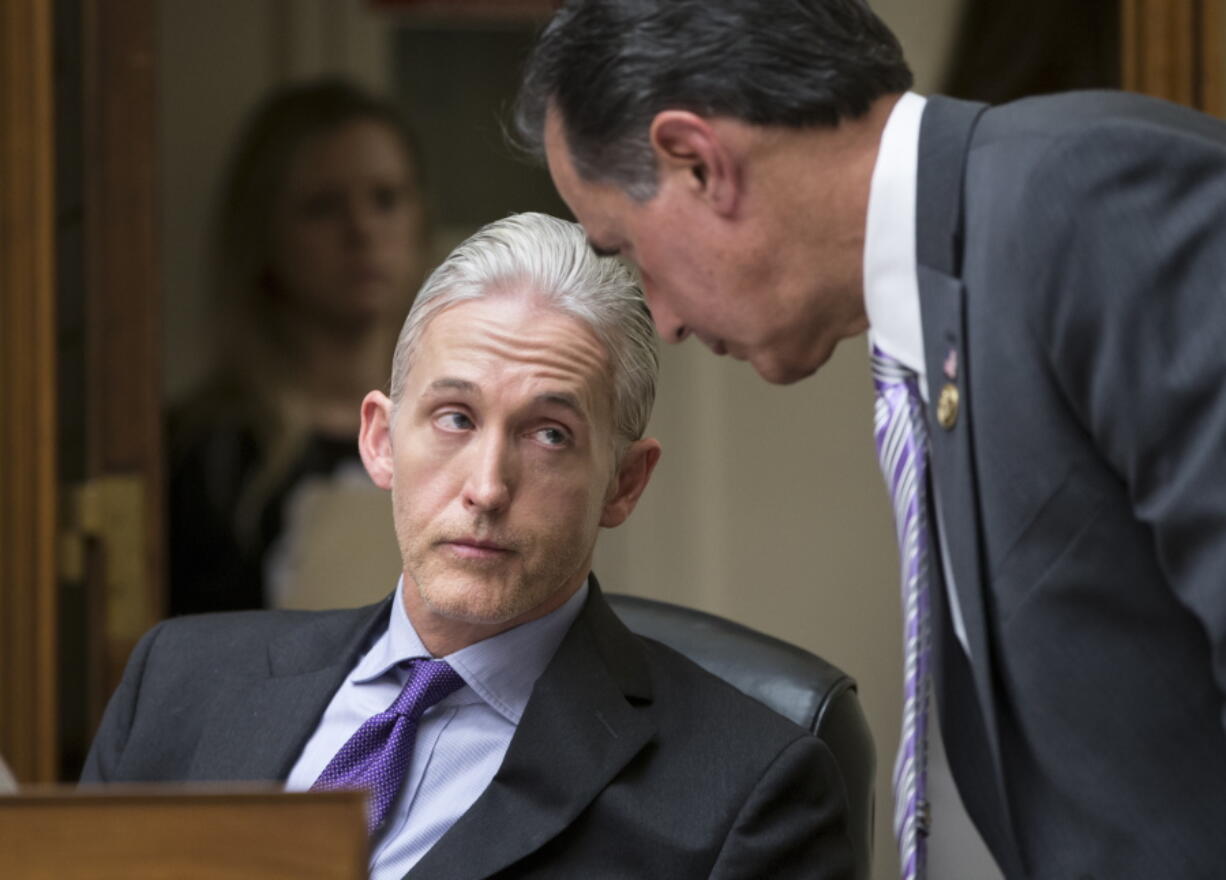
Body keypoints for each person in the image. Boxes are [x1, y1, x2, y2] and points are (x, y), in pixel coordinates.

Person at [514, 2, 1226, 878]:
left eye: (625, 248)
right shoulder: (950, 277)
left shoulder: (1090, 197)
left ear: (698, 163)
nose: (662, 321)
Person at [84, 213, 855, 879]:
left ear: (623, 483)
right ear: (380, 441)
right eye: (455, 417)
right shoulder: (178, 687)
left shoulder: (747, 791)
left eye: (550, 435)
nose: (487, 487)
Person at [168, 78, 429, 616]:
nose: (362, 230)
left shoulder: (463, 431)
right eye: (323, 207)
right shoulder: (202, 455)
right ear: (264, 232)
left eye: (385, 199)